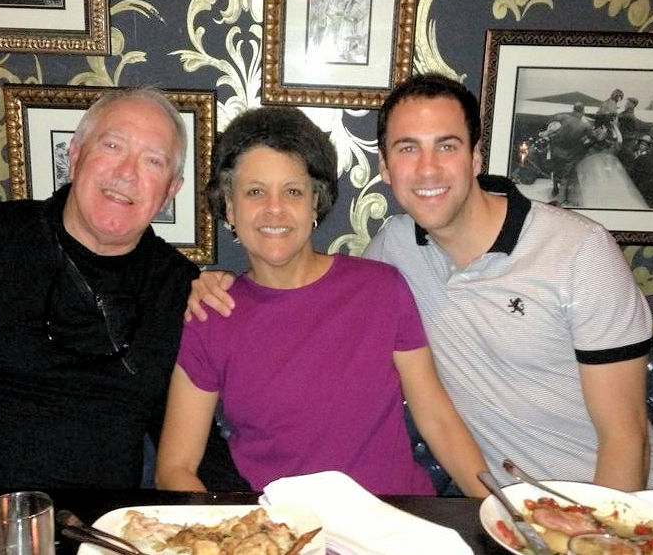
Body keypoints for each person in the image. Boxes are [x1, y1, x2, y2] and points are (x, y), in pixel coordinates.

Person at [188, 74, 653, 492]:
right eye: (408, 149)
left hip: (637, 511)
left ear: (474, 157)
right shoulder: (392, 255)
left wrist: (596, 541)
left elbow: (626, 439)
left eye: (446, 146)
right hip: (509, 513)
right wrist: (219, 284)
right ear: (385, 166)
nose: (427, 168)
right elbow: (306, 293)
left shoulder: (580, 250)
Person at [0, 87, 241, 507]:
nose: (127, 173)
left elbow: (190, 439)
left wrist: (239, 514)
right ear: (74, 156)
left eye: (153, 161)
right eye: (113, 145)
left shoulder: (177, 291)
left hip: (100, 534)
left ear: (170, 190)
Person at [155, 106, 489, 497]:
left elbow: (438, 421)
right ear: (230, 206)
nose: (274, 209)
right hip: (287, 536)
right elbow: (173, 468)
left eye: (293, 191)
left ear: (316, 202)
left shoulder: (381, 288)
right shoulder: (212, 315)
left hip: (398, 525)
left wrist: (500, 514)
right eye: (255, 192)